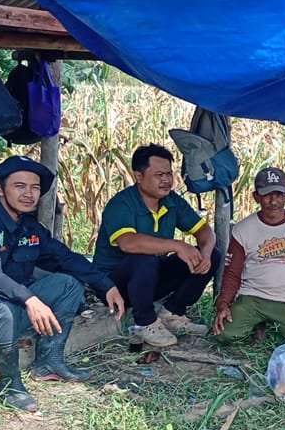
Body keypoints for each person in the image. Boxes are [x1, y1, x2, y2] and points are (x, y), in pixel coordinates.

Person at [0, 156, 125, 412]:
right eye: (19, 186)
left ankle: (49, 361)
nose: (28, 193)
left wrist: (107, 286)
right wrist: (31, 300)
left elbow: (64, 257)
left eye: (34, 187)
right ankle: (10, 384)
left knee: (68, 283)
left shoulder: (29, 227)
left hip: (13, 311)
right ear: (0, 189)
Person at [93, 144, 219, 348]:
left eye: (169, 174)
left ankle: (172, 313)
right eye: (159, 174)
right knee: (144, 258)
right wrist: (178, 245)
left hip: (149, 279)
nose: (166, 180)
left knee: (213, 254)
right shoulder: (122, 203)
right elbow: (128, 243)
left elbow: (205, 232)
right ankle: (145, 322)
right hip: (114, 285)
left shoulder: (172, 201)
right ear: (139, 176)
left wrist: (204, 253)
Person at [212, 167, 285, 344]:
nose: (273, 201)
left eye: (279, 194)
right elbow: (232, 273)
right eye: (267, 195)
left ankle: (267, 323)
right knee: (224, 334)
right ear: (256, 197)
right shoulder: (243, 228)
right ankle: (258, 323)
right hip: (253, 297)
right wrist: (224, 305)